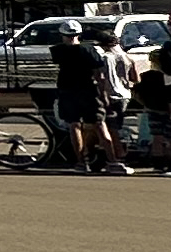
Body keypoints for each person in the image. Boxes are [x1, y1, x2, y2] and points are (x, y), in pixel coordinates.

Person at [48, 21, 122, 173]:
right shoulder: (88, 49)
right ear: (79, 33)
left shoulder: (57, 51)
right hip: (89, 90)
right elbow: (99, 75)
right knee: (99, 124)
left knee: (74, 125)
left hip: (67, 90)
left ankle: (81, 162)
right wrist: (104, 94)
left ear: (62, 34)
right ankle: (113, 161)